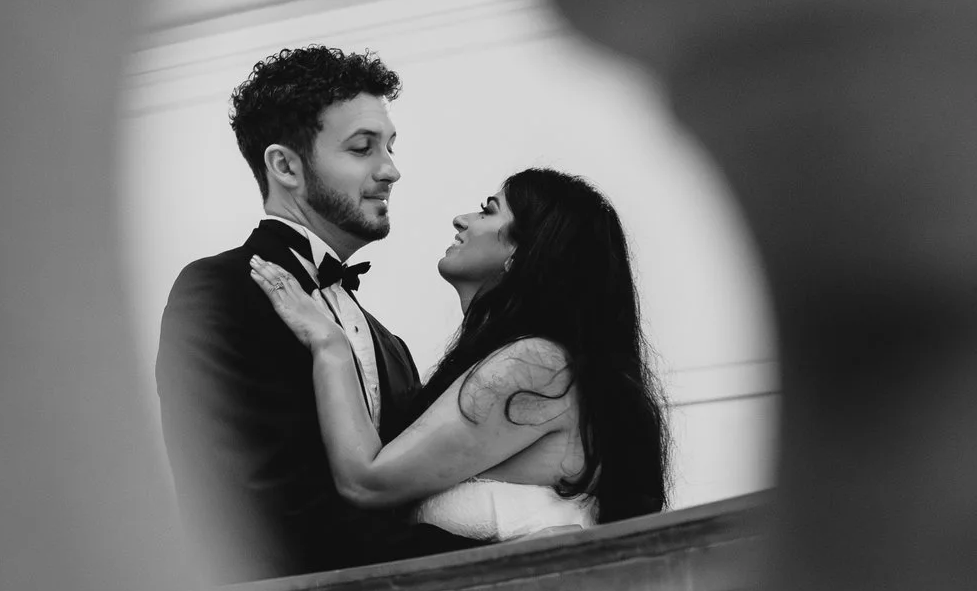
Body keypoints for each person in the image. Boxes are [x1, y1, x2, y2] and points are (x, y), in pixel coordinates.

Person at [156, 46, 480, 580]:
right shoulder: (219, 291)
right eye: (362, 148)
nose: (391, 170)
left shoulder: (388, 344)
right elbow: (246, 504)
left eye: (390, 147)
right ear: (285, 165)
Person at [249, 167, 667, 541]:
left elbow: (367, 482)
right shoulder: (538, 363)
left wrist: (330, 344)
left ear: (521, 252)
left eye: (488, 211)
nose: (461, 219)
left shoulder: (535, 366)